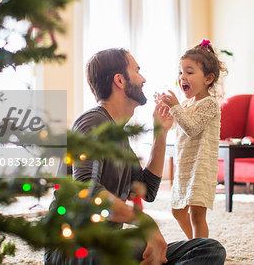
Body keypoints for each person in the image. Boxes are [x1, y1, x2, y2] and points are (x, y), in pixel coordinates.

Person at [45, 48, 226, 264]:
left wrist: (161, 133)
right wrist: (143, 221)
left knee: (208, 249)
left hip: (111, 243)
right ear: (120, 80)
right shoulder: (92, 122)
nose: (144, 78)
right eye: (137, 70)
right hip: (73, 249)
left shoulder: (119, 136)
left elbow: (147, 190)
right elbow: (87, 191)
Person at [158, 39, 228, 240]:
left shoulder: (209, 104)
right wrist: (165, 112)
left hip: (201, 166)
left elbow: (192, 129)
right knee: (177, 211)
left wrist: (175, 107)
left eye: (189, 72)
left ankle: (200, 251)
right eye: (180, 72)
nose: (182, 77)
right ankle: (194, 244)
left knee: (197, 215)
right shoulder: (187, 104)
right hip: (185, 166)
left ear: (208, 78)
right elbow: (175, 126)